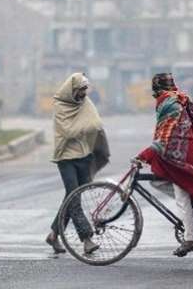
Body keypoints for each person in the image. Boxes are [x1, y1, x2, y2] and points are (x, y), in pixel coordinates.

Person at [136, 73, 193, 257]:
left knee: (181, 197)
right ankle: (192, 197)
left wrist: (143, 155)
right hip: (186, 149)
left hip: (180, 155)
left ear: (157, 90)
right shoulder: (180, 99)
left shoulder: (170, 104)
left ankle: (190, 239)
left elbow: (163, 138)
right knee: (157, 181)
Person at [45, 72, 111, 255]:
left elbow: (96, 123)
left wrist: (90, 128)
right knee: (74, 197)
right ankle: (87, 238)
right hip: (66, 158)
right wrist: (88, 126)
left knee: (72, 197)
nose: (83, 93)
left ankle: (53, 234)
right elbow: (68, 132)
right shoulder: (60, 106)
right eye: (80, 90)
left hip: (85, 157)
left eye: (85, 89)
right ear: (71, 90)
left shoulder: (85, 103)